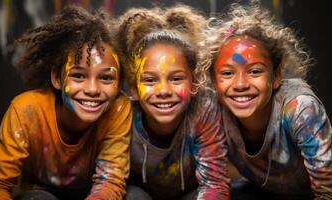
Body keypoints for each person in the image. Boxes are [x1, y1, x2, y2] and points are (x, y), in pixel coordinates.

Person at [0, 6, 132, 200]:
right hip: (37, 192)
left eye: (106, 78)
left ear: (119, 83)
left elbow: (110, 182)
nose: (93, 89)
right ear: (57, 78)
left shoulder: (118, 108)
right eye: (78, 76)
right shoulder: (26, 110)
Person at [200, 2, 332, 200]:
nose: (241, 84)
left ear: (277, 75)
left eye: (255, 71)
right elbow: (214, 184)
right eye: (227, 73)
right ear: (213, 80)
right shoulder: (213, 111)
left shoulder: (300, 109)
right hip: (264, 191)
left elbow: (326, 188)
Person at [115, 5, 230, 200]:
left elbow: (214, 184)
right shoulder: (121, 112)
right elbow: (109, 179)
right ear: (133, 89)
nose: (164, 91)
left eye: (176, 79)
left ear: (194, 83)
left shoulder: (204, 109)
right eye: (150, 80)